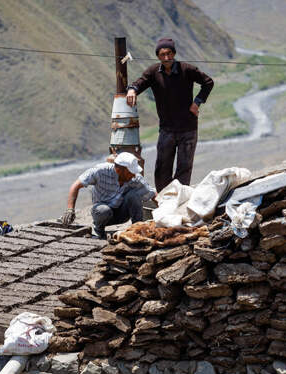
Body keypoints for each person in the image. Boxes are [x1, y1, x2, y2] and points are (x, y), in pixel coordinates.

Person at [127, 38, 214, 193]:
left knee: (184, 167)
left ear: (174, 53)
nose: (166, 58)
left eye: (169, 53)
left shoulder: (187, 69)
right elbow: (140, 82)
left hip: (188, 128)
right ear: (158, 56)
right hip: (166, 129)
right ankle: (163, 199)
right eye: (162, 54)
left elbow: (208, 82)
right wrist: (132, 90)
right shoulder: (153, 72)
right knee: (162, 167)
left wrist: (197, 102)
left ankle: (179, 199)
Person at [61, 152, 156, 239]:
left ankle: (137, 229)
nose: (134, 175)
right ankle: (99, 231)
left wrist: (166, 211)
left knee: (134, 195)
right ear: (119, 170)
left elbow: (152, 193)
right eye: (131, 172)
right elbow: (76, 185)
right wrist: (70, 209)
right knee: (103, 210)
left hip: (122, 214)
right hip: (102, 214)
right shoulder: (100, 171)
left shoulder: (135, 178)